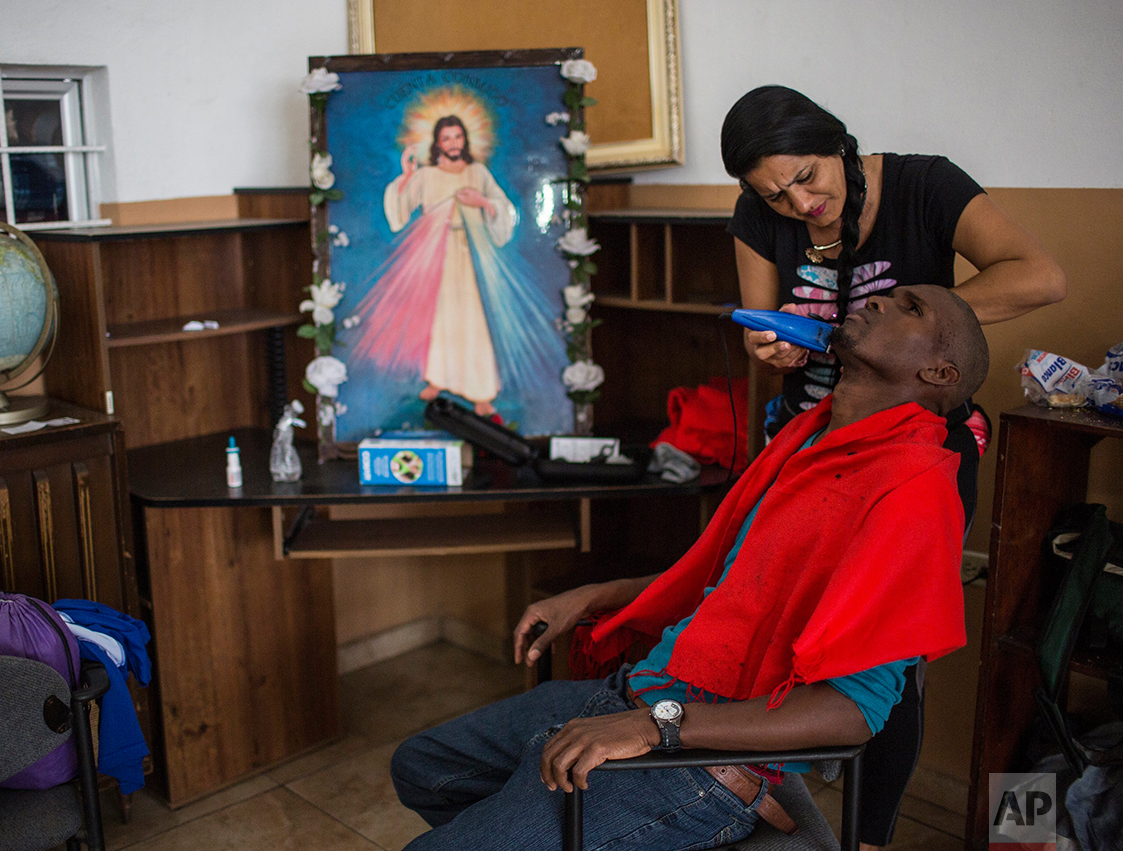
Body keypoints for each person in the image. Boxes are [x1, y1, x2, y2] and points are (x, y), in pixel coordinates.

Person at [391, 284, 989, 851]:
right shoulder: (807, 439)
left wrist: (656, 728)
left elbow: (852, 712)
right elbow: (736, 584)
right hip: (641, 692)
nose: (880, 299)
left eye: (909, 308)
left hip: (691, 759)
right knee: (425, 765)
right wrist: (596, 595)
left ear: (940, 374)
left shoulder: (914, 490)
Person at [721, 85, 1065, 847]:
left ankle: (867, 834)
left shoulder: (923, 185)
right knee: (763, 612)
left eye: (807, 176)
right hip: (810, 444)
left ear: (837, 143)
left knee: (888, 653)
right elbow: (760, 320)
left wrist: (920, 323)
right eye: (774, 195)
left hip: (913, 455)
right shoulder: (757, 214)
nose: (798, 203)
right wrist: (772, 344)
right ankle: (754, 785)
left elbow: (1040, 276)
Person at [349, 115, 517, 416]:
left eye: (457, 137)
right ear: (438, 143)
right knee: (438, 317)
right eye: (446, 138)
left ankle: (480, 392)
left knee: (471, 320)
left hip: (468, 254)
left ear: (465, 139)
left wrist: (483, 203)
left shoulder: (478, 172)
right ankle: (438, 379)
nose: (453, 143)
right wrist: (406, 175)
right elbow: (400, 212)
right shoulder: (426, 176)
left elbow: (502, 208)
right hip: (432, 254)